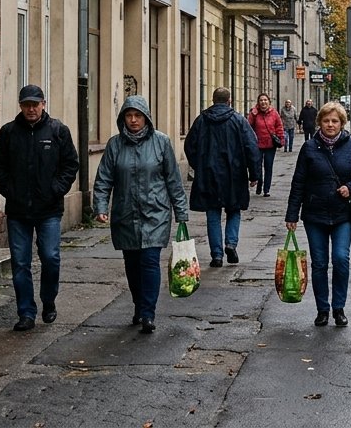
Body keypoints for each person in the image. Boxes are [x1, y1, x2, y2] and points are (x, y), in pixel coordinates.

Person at [93, 95, 189, 334]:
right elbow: (104, 179)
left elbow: (173, 180)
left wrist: (181, 212)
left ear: (146, 117)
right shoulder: (115, 145)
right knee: (132, 264)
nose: (133, 120)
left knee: (149, 261)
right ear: (123, 118)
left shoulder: (161, 142)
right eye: (129, 116)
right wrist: (101, 207)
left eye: (138, 116)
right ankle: (138, 304)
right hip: (125, 213)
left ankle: (148, 312)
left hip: (155, 212)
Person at [0, 84, 79, 332]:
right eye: (26, 104)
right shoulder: (9, 133)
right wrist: (9, 190)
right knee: (20, 263)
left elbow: (70, 164)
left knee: (50, 257)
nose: (31, 109)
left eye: (35, 104)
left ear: (43, 104)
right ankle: (26, 313)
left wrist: (55, 189)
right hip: (18, 210)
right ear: (20, 106)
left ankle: (48, 300)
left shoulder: (58, 131)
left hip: (49, 208)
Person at [285, 101, 351, 327]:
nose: (330, 125)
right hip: (315, 215)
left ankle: (339, 308)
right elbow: (298, 183)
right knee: (320, 263)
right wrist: (291, 215)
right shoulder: (309, 148)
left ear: (341, 123)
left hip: (343, 214)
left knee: (341, 259)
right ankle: (322, 309)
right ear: (319, 123)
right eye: (326, 121)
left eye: (335, 121)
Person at [185, 88, 261, 268]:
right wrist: (254, 174)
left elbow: (190, 146)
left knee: (213, 214)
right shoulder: (238, 120)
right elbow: (252, 147)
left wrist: (200, 166)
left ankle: (217, 255)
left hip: (209, 174)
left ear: (213, 100)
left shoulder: (202, 120)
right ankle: (231, 243)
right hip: (234, 174)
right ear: (230, 100)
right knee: (234, 210)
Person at [247, 93, 285, 196]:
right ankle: (259, 184)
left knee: (268, 167)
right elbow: (248, 128)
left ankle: (266, 189)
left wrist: (281, 139)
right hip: (257, 145)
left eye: (265, 100)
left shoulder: (274, 113)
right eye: (261, 100)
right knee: (257, 166)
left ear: (269, 102)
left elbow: (279, 127)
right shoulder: (254, 113)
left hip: (270, 145)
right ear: (258, 103)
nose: (263, 102)